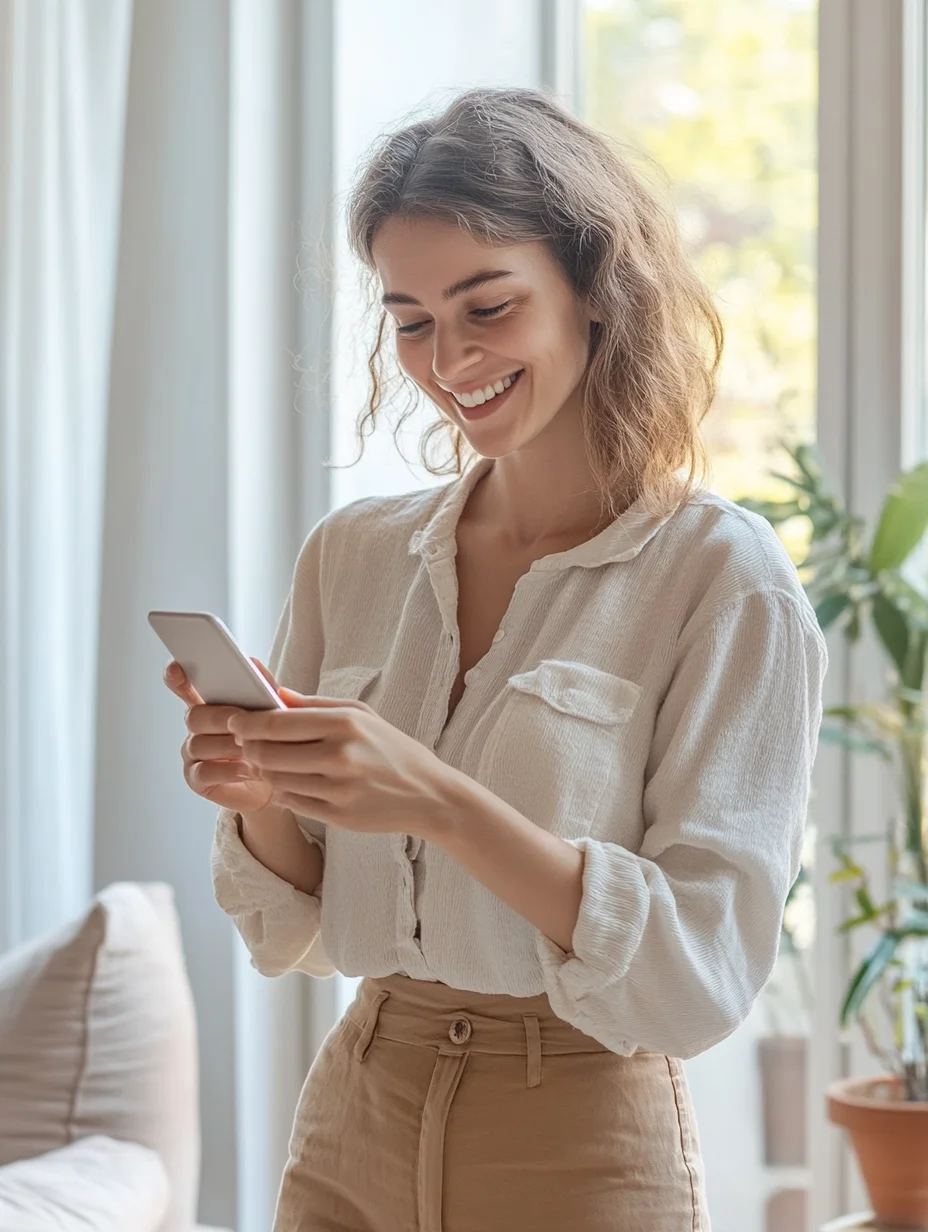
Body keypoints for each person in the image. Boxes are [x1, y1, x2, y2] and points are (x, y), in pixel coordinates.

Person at [164, 86, 827, 1232]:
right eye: (412, 319)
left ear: (595, 290)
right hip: (357, 1108)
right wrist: (260, 789)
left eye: (488, 305)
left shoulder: (722, 578)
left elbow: (697, 973)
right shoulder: (352, 553)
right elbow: (296, 926)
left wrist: (438, 799)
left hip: (578, 1129)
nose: (450, 357)